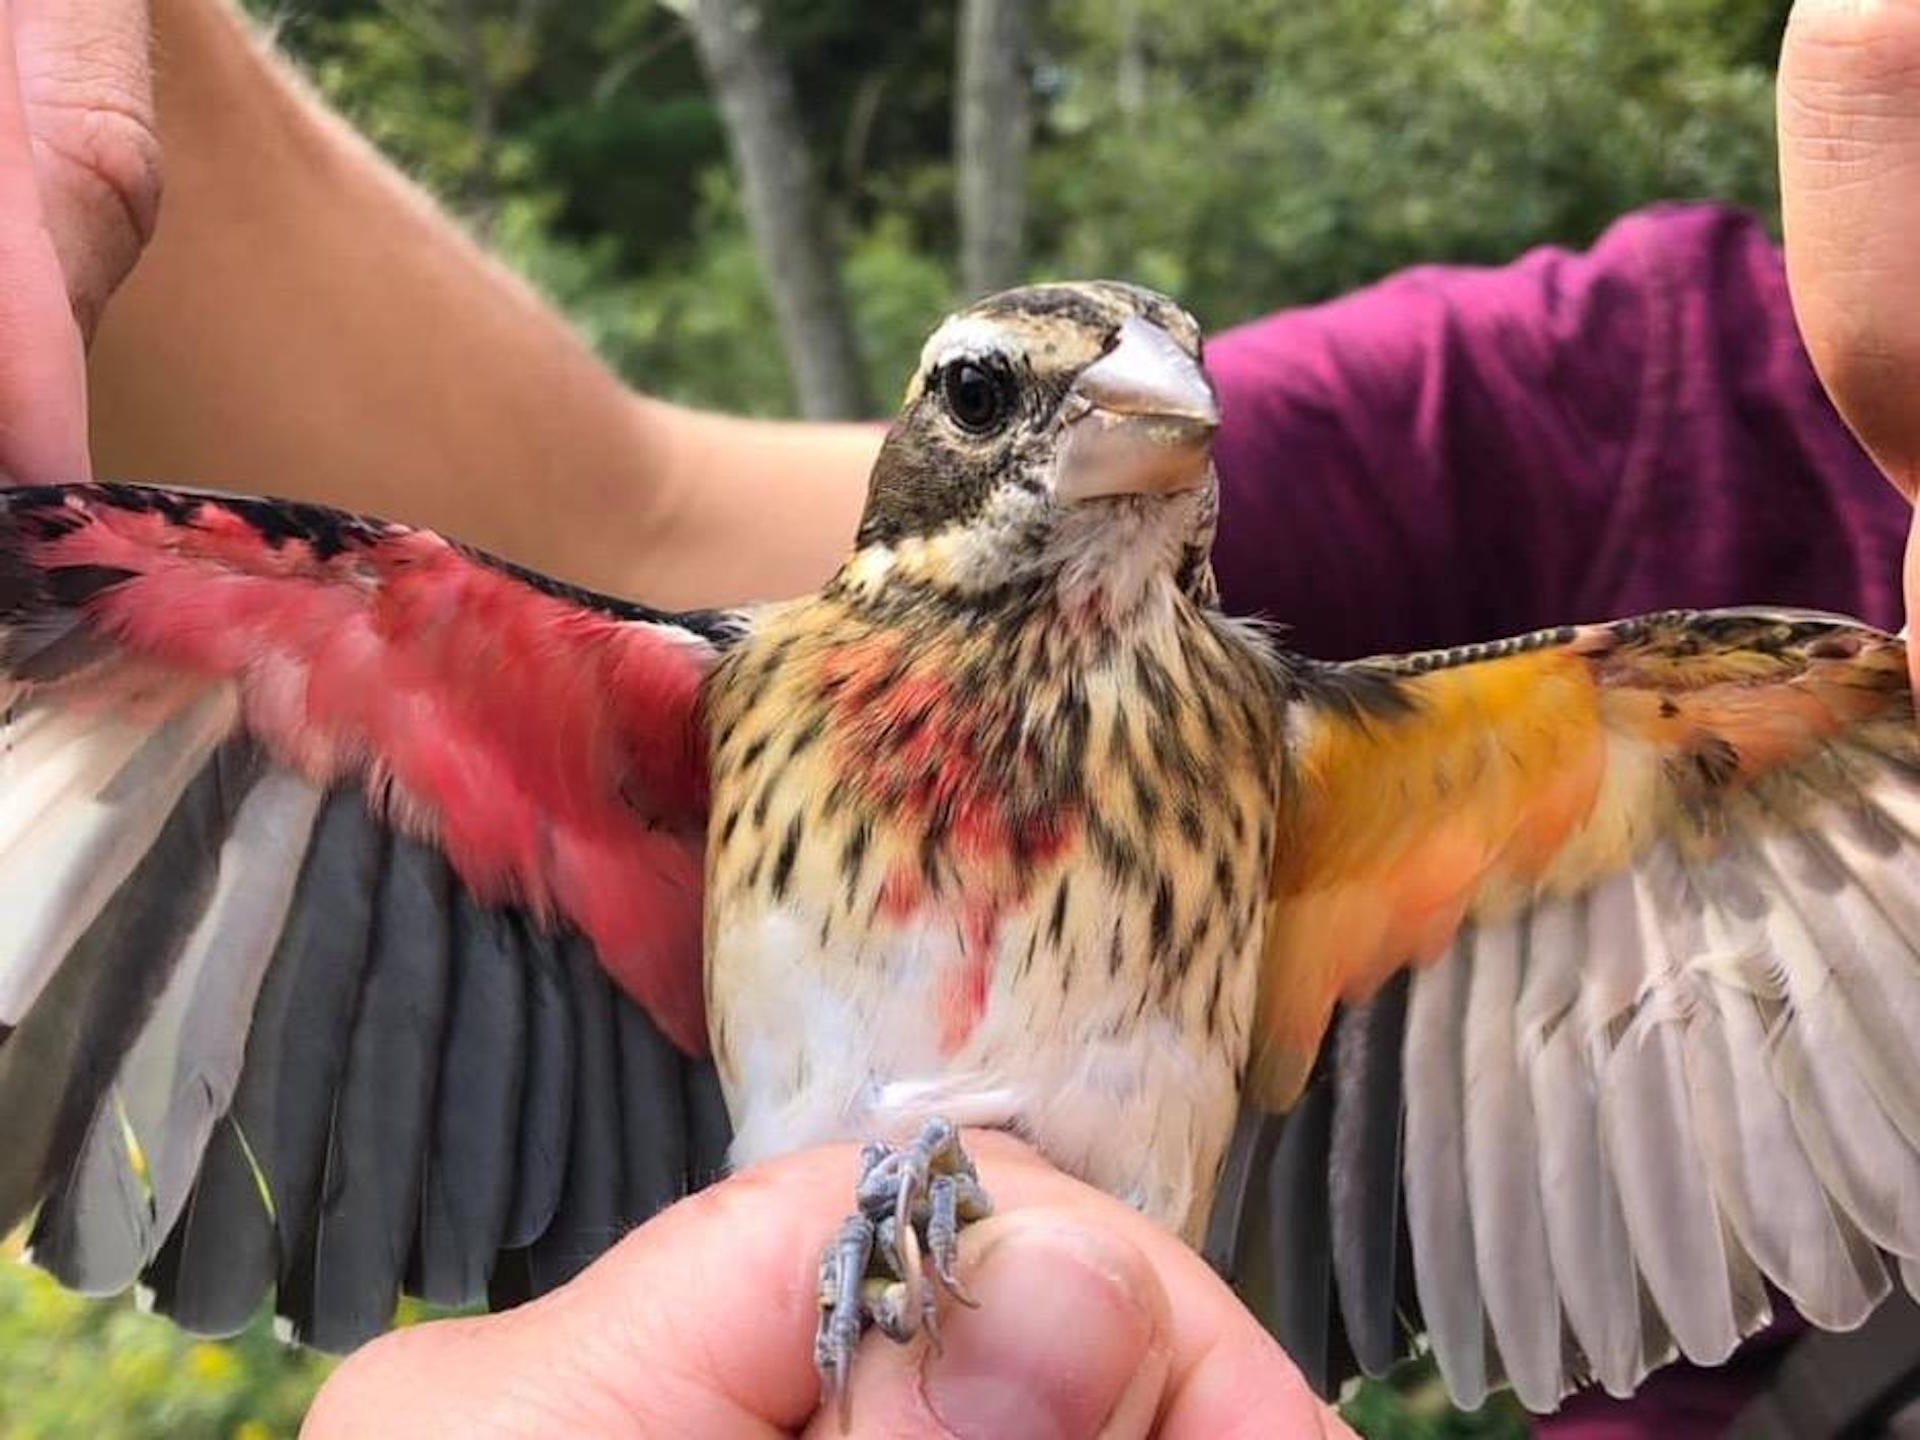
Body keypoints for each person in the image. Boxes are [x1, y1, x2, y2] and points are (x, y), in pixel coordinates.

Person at [0, 1, 1914, 1436]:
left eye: (1156, 390)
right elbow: (602, 516)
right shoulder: (704, 712)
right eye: (1006, 399)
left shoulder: (1375, 759)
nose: (1127, 412)